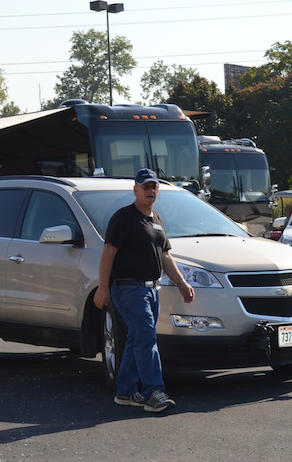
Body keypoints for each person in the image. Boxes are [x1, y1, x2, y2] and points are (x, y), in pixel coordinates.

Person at [93, 168, 195, 413]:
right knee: (147, 336)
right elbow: (108, 252)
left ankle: (126, 391)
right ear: (135, 190)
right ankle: (153, 392)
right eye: (145, 187)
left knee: (136, 338)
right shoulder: (124, 217)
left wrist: (182, 283)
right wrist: (103, 287)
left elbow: (166, 255)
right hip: (128, 288)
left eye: (154, 187)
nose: (150, 191)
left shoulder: (156, 219)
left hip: (151, 289)